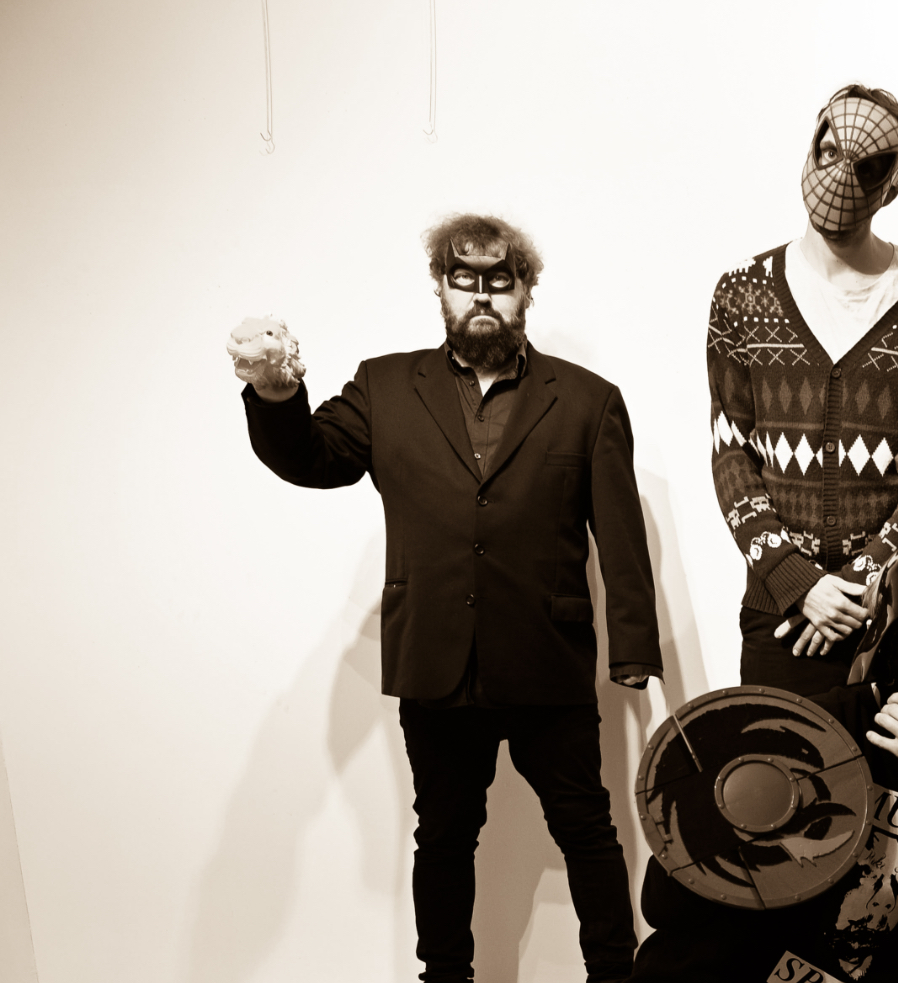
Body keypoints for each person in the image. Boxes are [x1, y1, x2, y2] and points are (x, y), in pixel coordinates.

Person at [230, 213, 662, 983]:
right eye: (465, 279)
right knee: (444, 834)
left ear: (526, 290)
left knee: (587, 828)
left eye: (501, 280)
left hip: (548, 661)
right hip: (436, 663)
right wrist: (275, 391)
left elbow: (620, 534)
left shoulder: (588, 400)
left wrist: (633, 648)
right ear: (441, 288)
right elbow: (313, 457)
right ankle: (446, 976)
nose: (483, 295)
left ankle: (613, 972)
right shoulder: (385, 386)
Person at [628, 541, 898, 983]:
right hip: (755, 970)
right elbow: (664, 908)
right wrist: (733, 810)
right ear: (888, 645)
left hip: (860, 975)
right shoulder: (800, 732)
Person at [707, 84, 898, 696]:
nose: (839, 174)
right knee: (782, 760)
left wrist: (860, 585)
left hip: (897, 617)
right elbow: (731, 454)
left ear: (893, 188)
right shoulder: (743, 293)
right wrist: (797, 583)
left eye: (866, 166)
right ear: (810, 150)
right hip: (780, 618)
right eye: (828, 151)